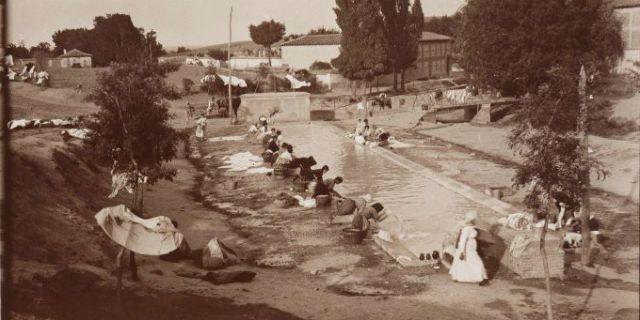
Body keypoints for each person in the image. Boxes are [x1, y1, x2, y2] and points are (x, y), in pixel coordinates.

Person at [449, 211, 489, 286]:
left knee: (467, 262)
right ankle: (481, 278)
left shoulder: (470, 227)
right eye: (475, 219)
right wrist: (462, 251)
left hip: (470, 248)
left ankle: (459, 276)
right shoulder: (467, 229)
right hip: (468, 249)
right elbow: (463, 240)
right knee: (475, 262)